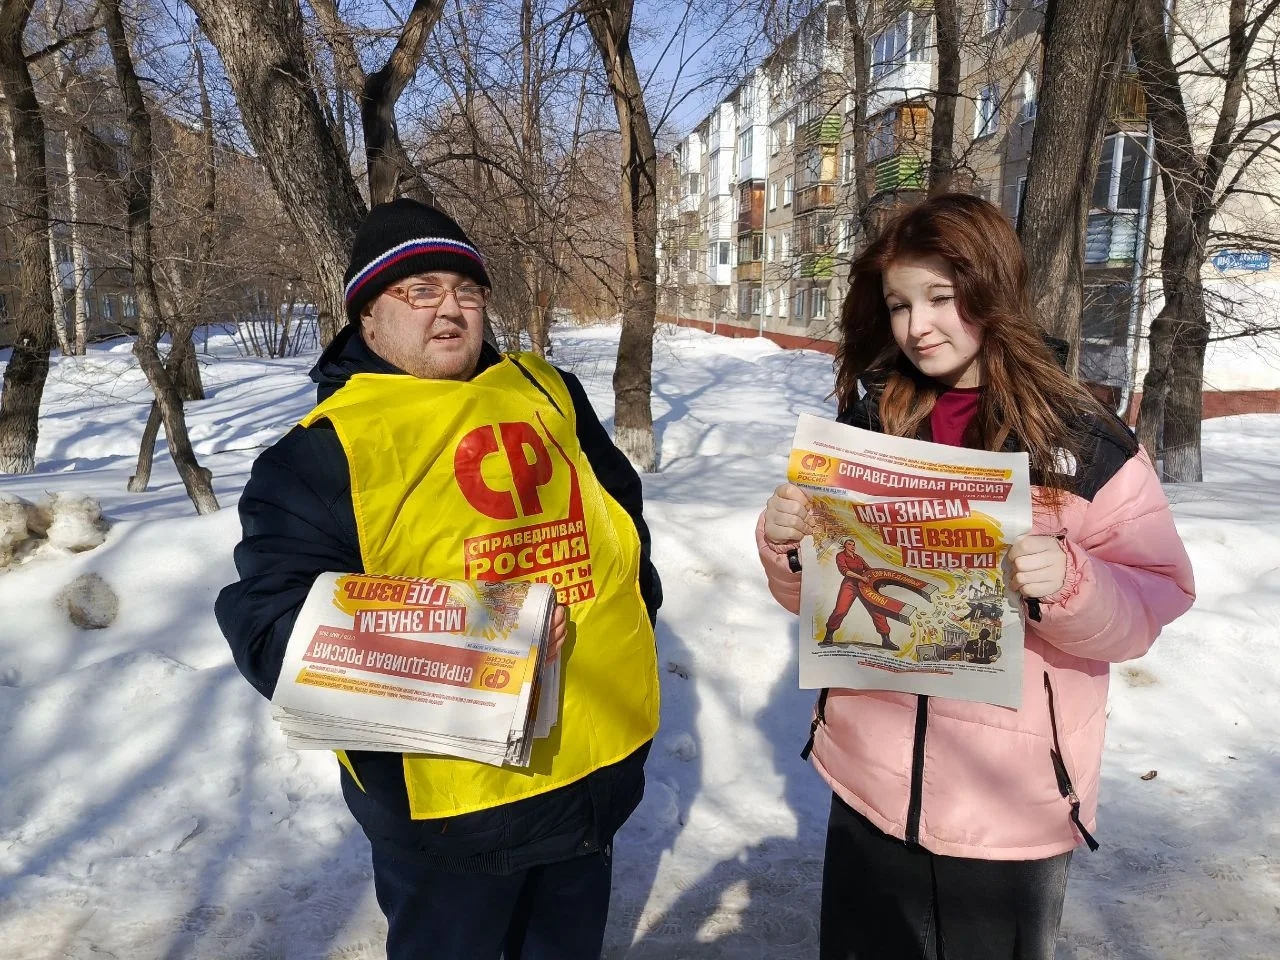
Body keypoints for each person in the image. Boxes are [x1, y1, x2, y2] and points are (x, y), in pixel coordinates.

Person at [216, 198, 661, 960]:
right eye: (419, 290)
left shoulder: (547, 391)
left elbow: (622, 522)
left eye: (466, 290)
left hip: (591, 779)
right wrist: (475, 642)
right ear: (369, 318)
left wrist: (637, 612)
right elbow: (270, 627)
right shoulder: (322, 452)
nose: (450, 309)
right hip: (452, 819)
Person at [756, 194, 1194, 960]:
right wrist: (787, 545)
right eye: (900, 305)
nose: (917, 326)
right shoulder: (870, 426)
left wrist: (1072, 583)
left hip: (1008, 805)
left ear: (992, 290)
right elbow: (822, 599)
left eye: (940, 298)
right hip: (869, 785)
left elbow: (1157, 596)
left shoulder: (1080, 440)